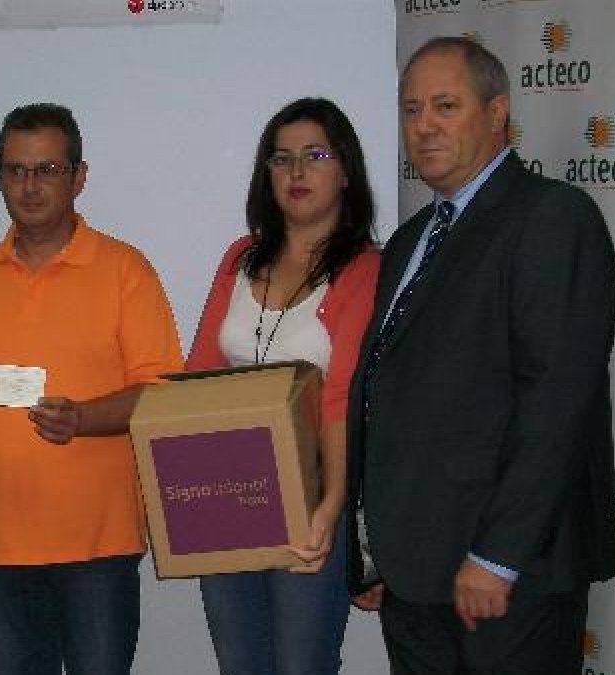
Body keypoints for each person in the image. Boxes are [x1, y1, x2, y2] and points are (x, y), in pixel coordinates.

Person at [347, 36, 615, 674]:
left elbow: (556, 403)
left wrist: (497, 556)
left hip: (506, 577)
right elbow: (390, 393)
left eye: (446, 105)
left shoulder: (552, 218)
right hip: (416, 573)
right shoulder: (413, 239)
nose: (425, 126)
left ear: (498, 113)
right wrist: (379, 549)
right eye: (412, 110)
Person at [0, 102, 183, 675]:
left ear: (78, 177)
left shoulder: (124, 270)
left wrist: (84, 419)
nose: (29, 186)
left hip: (97, 545)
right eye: (15, 170)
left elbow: (162, 393)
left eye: (47, 170)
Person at [186, 97, 380, 675]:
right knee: (239, 663)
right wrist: (174, 489)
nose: (296, 172)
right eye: (281, 158)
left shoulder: (364, 267)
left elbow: (342, 397)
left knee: (303, 665)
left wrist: (330, 507)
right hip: (224, 490)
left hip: (311, 496)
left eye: (315, 155)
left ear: (345, 171)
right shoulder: (240, 256)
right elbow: (198, 373)